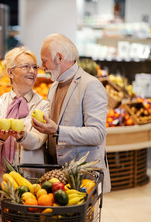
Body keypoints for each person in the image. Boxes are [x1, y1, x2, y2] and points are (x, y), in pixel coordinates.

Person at [32, 33, 111, 192]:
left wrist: (57, 131)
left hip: (83, 177)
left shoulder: (90, 85)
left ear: (60, 58)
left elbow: (97, 134)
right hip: (58, 174)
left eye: (45, 60)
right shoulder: (54, 87)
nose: (42, 66)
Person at [0, 47, 50, 195]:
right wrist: (0, 135)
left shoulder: (43, 106)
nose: (32, 71)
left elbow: (39, 140)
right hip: (1, 175)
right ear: (10, 72)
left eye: (34, 67)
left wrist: (22, 135)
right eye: (25, 66)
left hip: (31, 176)